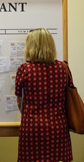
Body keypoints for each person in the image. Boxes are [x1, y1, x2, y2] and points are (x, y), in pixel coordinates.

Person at [15, 28, 73, 162]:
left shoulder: (25, 69)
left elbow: (19, 101)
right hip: (58, 126)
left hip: (32, 127)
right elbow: (68, 94)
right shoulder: (63, 67)